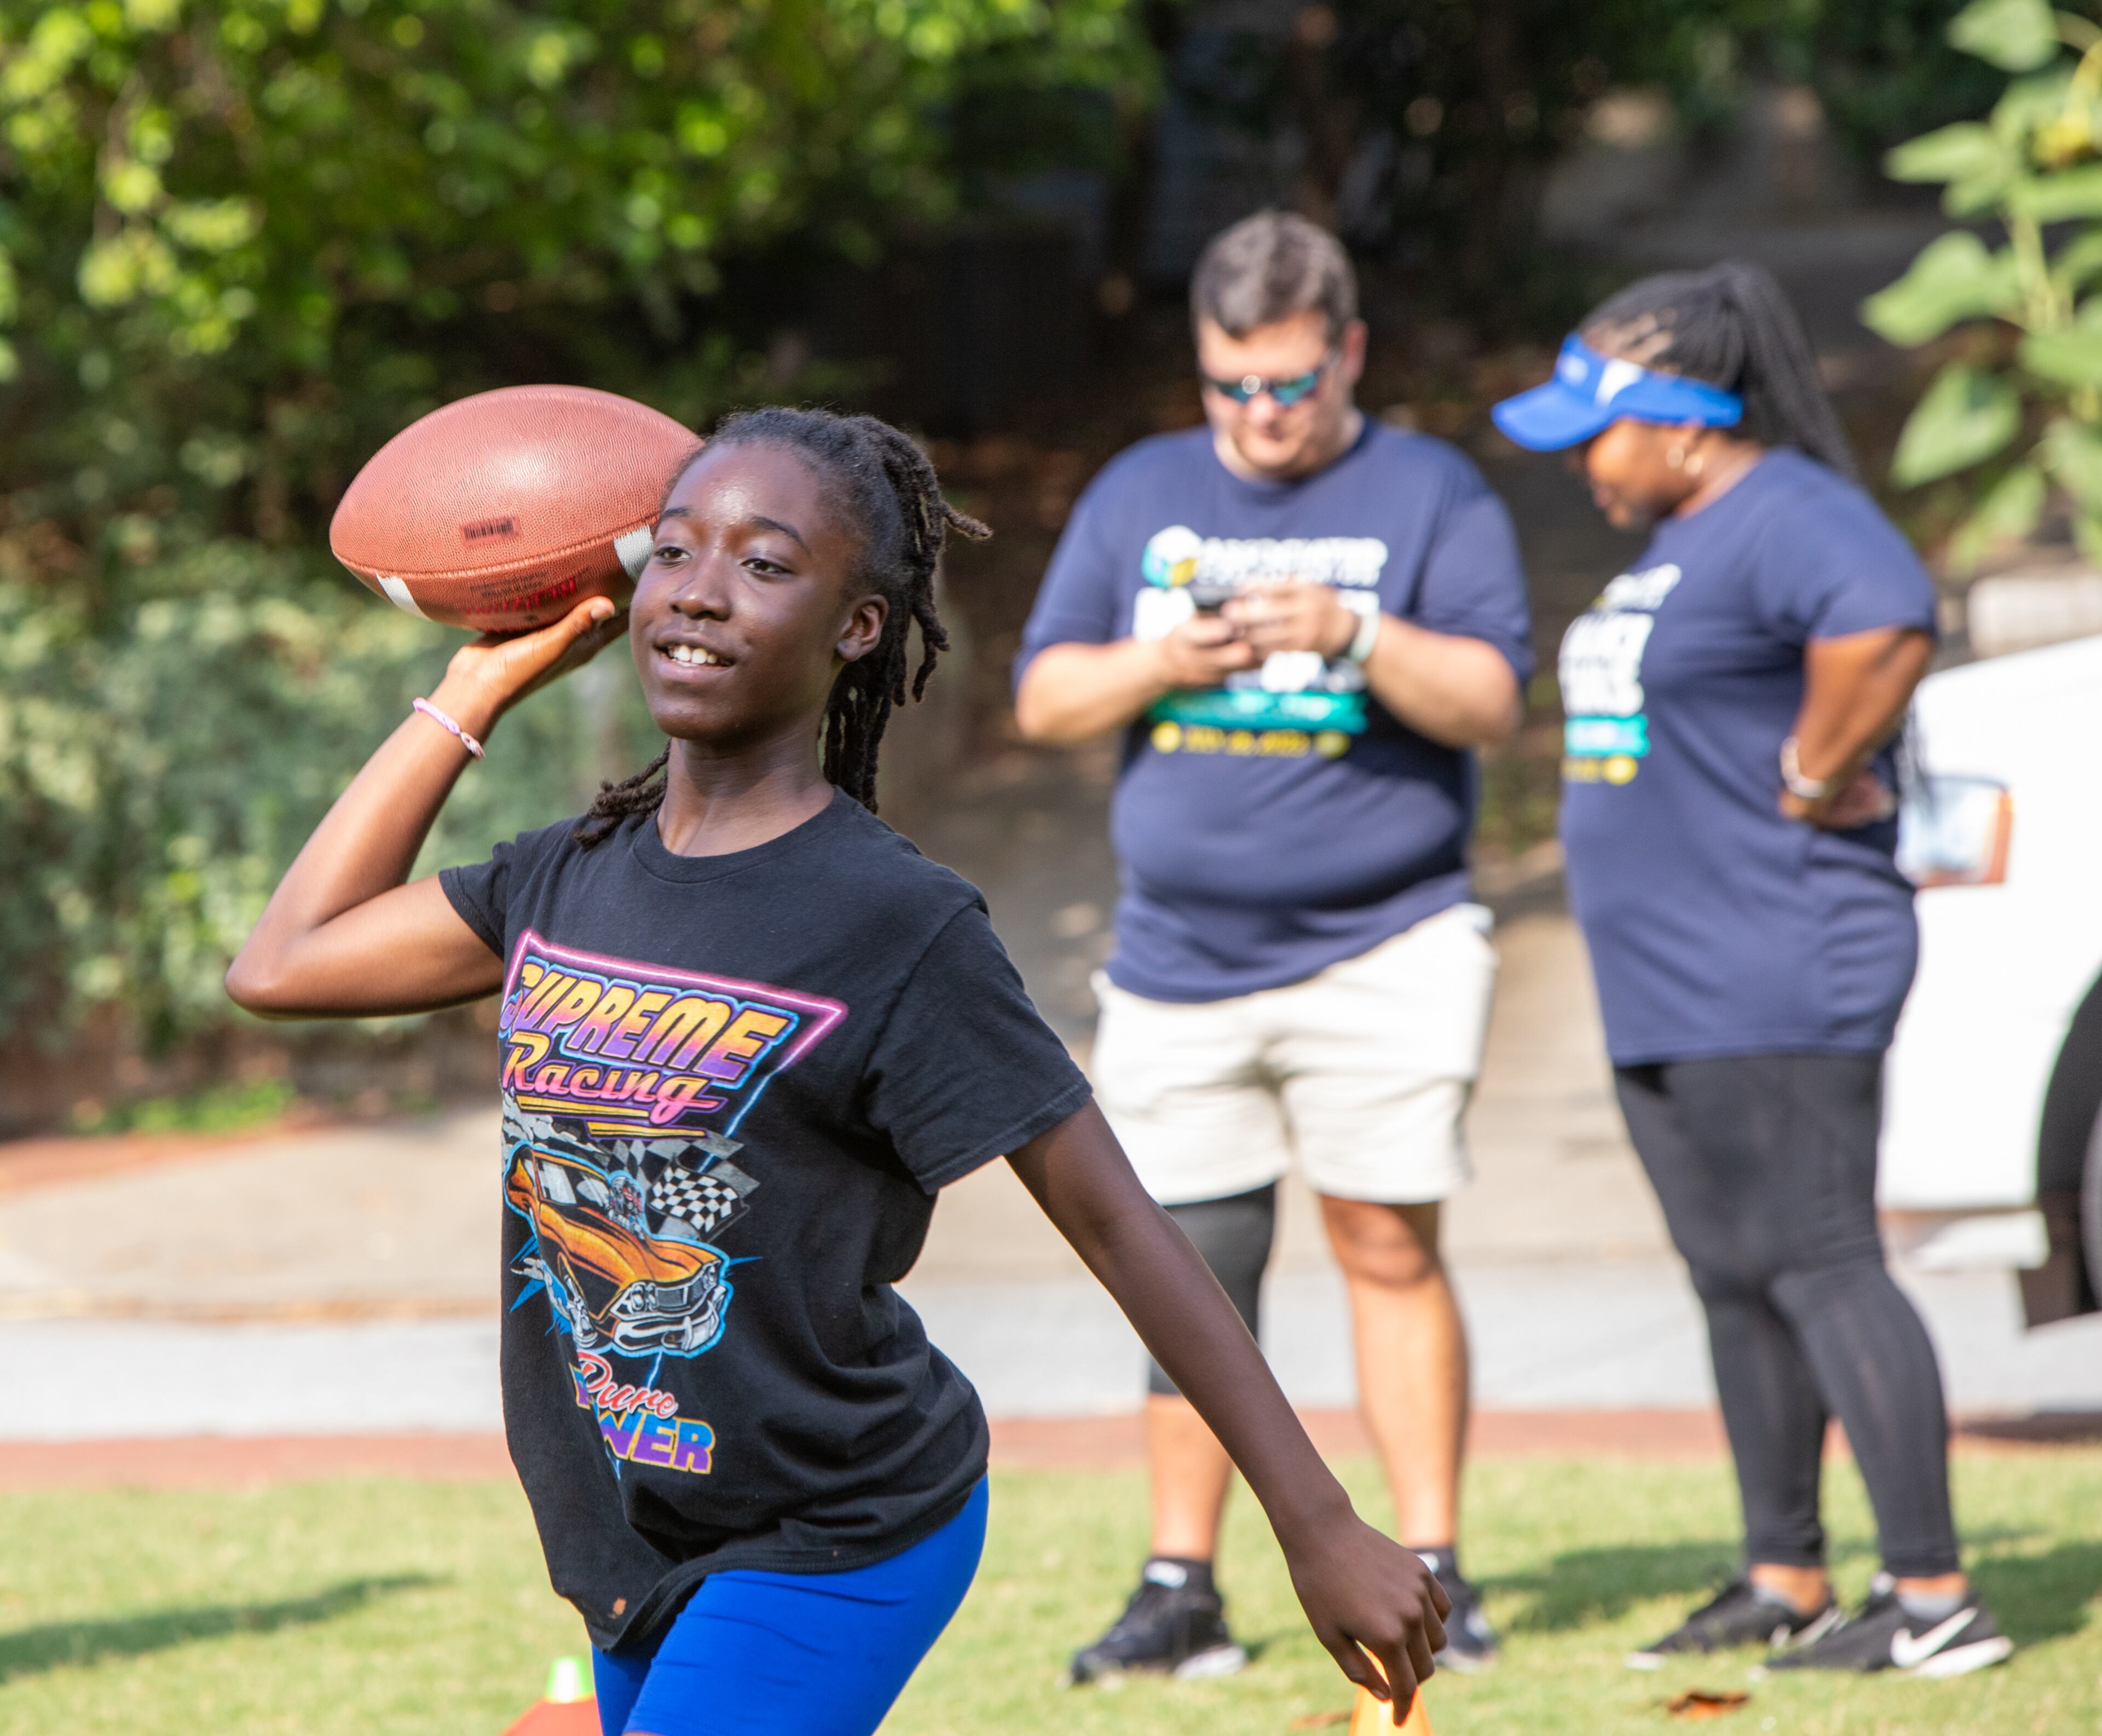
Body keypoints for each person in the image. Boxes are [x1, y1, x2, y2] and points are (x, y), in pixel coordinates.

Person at [226, 408, 1449, 1736]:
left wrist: (1315, 1520)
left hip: (839, 1522)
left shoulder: (894, 922)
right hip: (632, 1532)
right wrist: (470, 690)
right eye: (676, 550)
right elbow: (285, 961)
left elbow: (1114, 1217)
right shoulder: (566, 872)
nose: (699, 588)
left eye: (764, 563)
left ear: (858, 624)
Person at [1014, 212, 1532, 1680]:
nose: (1258, 414)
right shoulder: (1139, 491)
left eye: (1289, 383)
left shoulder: (1431, 491)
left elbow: (1493, 699)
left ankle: (1435, 1566)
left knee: (1388, 1240)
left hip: (1390, 943)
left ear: (1348, 349)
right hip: (1177, 955)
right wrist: (1160, 659)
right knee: (1185, 1266)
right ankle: (1183, 1583)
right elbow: (1046, 698)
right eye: (1230, 385)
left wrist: (1357, 633)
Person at [1491, 262, 2011, 1677]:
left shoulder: (1788, 512)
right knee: (1733, 1272)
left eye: (1594, 434)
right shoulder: (1685, 536)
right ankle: (1783, 1570)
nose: (1581, 466)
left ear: (1682, 421)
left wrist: (1811, 766)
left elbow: (1889, 616)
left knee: (1823, 1258)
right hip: (1674, 977)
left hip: (1777, 955)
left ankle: (1934, 1597)